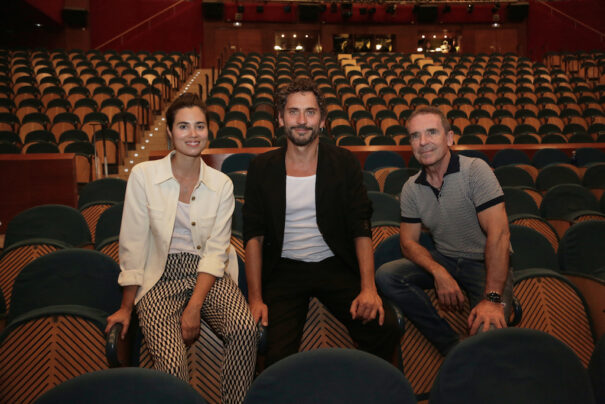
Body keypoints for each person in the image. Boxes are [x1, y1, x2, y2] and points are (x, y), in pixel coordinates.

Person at [105, 93, 256, 404]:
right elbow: (132, 243)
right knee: (172, 365)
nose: (193, 134)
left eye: (199, 126)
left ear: (208, 132)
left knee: (244, 329)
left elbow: (216, 252)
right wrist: (126, 306)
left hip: (208, 274)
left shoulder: (221, 184)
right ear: (170, 132)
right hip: (159, 275)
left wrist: (194, 306)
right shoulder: (144, 176)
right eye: (184, 126)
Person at [243, 79, 399, 367]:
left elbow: (360, 227)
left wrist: (368, 287)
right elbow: (253, 235)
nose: (302, 121)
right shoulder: (261, 168)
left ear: (323, 120)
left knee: (384, 325)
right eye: (293, 112)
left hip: (334, 263)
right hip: (283, 269)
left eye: (310, 112)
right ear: (280, 118)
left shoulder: (344, 162)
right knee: (276, 356)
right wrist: (255, 298)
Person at [375, 106, 513, 356]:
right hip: (446, 259)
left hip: (484, 264)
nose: (423, 142)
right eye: (415, 136)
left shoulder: (475, 170)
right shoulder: (411, 187)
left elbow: (499, 235)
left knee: (487, 336)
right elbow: (408, 243)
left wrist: (492, 299)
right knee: (387, 275)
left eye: (431, 132)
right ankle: (450, 344)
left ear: (449, 138)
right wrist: (439, 272)